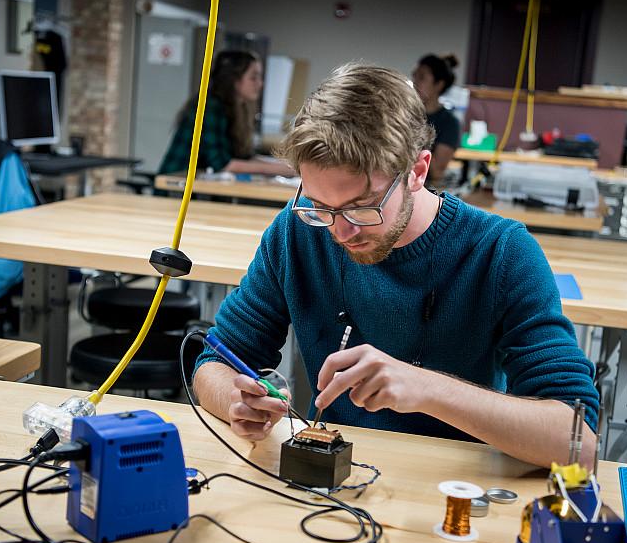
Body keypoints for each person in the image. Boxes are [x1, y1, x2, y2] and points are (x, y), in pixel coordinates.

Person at [192, 64, 598, 468]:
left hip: (457, 490)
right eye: (320, 206)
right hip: (339, 483)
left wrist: (425, 388)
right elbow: (213, 364)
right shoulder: (296, 232)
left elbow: (577, 442)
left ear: (418, 171)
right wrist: (236, 400)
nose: (341, 231)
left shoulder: (501, 252)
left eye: (361, 207)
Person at [158, 50, 294, 176]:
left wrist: (287, 165)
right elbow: (222, 164)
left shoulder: (236, 109)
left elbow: (244, 157)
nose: (260, 84)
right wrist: (281, 170)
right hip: (175, 186)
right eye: (253, 78)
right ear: (234, 80)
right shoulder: (211, 106)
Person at [411, 54, 461, 184]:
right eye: (414, 76)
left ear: (438, 85)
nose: (414, 82)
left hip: (423, 189)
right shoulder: (404, 113)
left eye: (421, 77)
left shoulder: (449, 123)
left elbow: (437, 172)